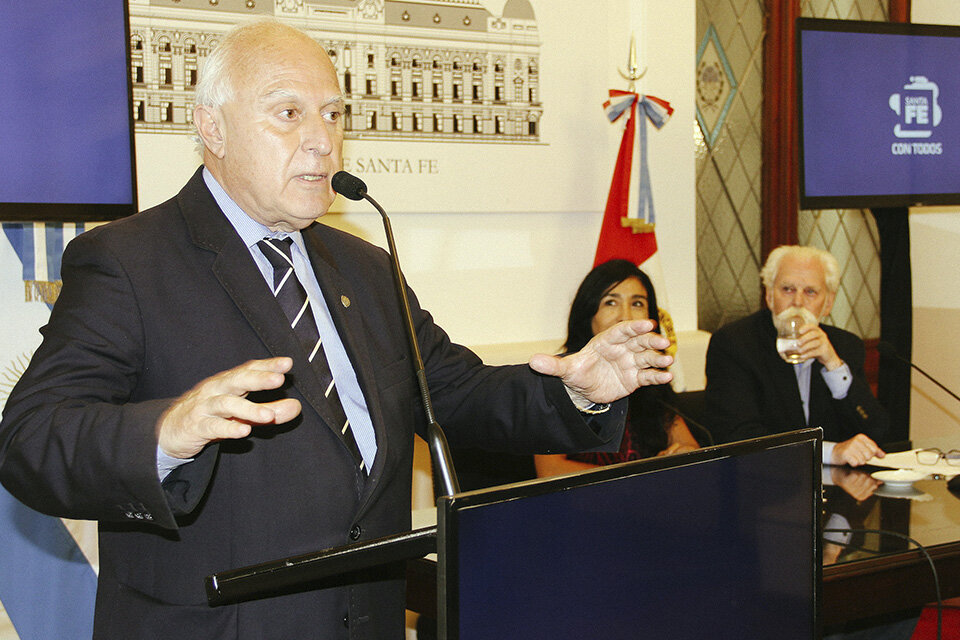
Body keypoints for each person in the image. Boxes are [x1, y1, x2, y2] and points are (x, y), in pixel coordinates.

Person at [0, 21, 675, 639]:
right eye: (289, 113)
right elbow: (31, 438)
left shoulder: (363, 264)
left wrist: (579, 391)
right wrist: (165, 433)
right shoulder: (129, 261)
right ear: (213, 128)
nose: (322, 138)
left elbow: (458, 393)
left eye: (332, 114)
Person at [704, 245, 890, 467]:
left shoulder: (845, 345)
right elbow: (739, 438)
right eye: (788, 289)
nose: (798, 302)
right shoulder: (735, 344)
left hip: (836, 489)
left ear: (828, 303)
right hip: (759, 484)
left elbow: (877, 431)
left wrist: (833, 365)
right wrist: (830, 453)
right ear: (770, 296)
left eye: (811, 292)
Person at [536, 260, 699, 477]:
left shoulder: (650, 377)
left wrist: (685, 454)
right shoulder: (561, 376)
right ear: (588, 315)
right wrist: (641, 476)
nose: (625, 317)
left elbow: (693, 452)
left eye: (638, 304)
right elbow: (550, 472)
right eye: (611, 303)